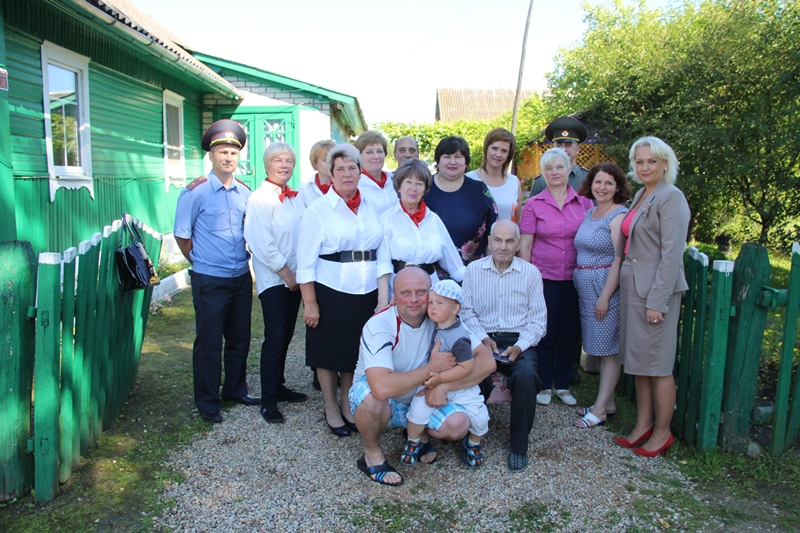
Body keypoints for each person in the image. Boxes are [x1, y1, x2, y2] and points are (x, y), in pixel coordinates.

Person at [349, 267, 496, 486]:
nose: (414, 300)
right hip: (386, 400)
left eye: (421, 292)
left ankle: (417, 435)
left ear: (432, 293)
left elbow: (487, 361)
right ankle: (372, 454)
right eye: (405, 293)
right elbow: (381, 387)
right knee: (372, 400)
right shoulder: (380, 324)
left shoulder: (439, 316)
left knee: (458, 425)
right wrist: (432, 367)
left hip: (422, 395)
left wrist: (444, 386)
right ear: (394, 295)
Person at [296, 143, 392, 437]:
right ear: (331, 173)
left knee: (353, 352)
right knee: (327, 353)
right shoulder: (318, 211)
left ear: (360, 172)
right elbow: (305, 263)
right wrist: (310, 303)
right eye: (340, 169)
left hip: (366, 292)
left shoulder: (373, 207)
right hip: (330, 290)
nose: (347, 174)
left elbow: (383, 254)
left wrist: (382, 298)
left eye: (352, 168)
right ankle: (331, 407)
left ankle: (349, 405)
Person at [173, 119, 259, 423]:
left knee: (240, 339)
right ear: (211, 155)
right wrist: (201, 261)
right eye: (222, 152)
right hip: (210, 279)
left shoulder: (245, 192)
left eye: (233, 153)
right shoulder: (196, 192)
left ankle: (235, 389)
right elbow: (182, 235)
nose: (228, 158)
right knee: (209, 343)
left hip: (240, 277)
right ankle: (208, 401)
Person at [613, 136, 690, 457]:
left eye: (652, 161)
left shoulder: (671, 197)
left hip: (655, 293)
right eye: (640, 162)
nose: (645, 167)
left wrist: (658, 302)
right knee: (640, 363)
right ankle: (643, 425)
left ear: (665, 164)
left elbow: (671, 256)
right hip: (635, 288)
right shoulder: (643, 193)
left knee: (658, 366)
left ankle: (662, 433)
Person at [461, 220, 547, 471]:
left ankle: (519, 446)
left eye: (510, 241)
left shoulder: (531, 273)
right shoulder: (473, 270)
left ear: (518, 244)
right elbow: (466, 312)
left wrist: (520, 346)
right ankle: (470, 438)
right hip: (482, 337)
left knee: (527, 376)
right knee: (473, 374)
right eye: (498, 240)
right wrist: (482, 339)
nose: (503, 246)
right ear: (489, 242)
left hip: (518, 340)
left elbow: (538, 321)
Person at [519, 148, 593, 408]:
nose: (554, 172)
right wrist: (526, 279)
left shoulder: (584, 204)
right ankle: (544, 383)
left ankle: (562, 384)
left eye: (559, 167)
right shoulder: (534, 204)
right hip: (544, 277)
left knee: (568, 332)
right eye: (548, 168)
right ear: (543, 173)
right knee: (545, 331)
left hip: (575, 277)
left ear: (568, 169)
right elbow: (526, 244)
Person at [243, 142, 309, 425]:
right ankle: (268, 401)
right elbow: (259, 241)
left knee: (286, 335)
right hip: (275, 279)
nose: (284, 165)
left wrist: (299, 274)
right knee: (274, 337)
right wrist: (286, 273)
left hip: (294, 279)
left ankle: (279, 385)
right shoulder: (259, 198)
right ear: (267, 165)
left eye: (289, 161)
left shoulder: (294, 198)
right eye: (278, 160)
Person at [404, 280, 489, 468]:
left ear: (455, 309)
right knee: (417, 408)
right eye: (431, 302)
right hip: (433, 380)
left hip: (460, 385)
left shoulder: (460, 337)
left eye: (439, 303)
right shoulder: (435, 323)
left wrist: (441, 379)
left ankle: (473, 443)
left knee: (481, 418)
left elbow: (466, 367)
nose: (432, 307)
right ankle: (413, 442)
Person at [571, 163, 632, 428]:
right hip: (585, 287)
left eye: (609, 183)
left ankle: (599, 410)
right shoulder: (591, 212)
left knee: (608, 351)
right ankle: (608, 403)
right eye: (598, 182)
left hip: (604, 288)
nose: (602, 187)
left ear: (618, 187)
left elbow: (619, 258)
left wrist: (605, 296)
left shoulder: (618, 216)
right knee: (597, 346)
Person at [381, 159, 466, 292]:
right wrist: (383, 299)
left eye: (419, 183)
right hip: (399, 289)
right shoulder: (386, 219)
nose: (413, 188)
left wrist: (470, 285)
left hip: (430, 288)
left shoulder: (434, 220)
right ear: (399, 186)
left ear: (425, 190)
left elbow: (453, 262)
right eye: (408, 182)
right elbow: (383, 264)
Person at [424, 136, 498, 277]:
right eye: (447, 156)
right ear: (438, 161)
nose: (452, 162)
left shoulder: (479, 190)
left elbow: (494, 232)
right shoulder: (423, 189)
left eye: (458, 157)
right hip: (431, 277)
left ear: (466, 162)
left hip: (474, 275)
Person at [466, 128, 523, 222]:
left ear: (509, 155)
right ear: (486, 149)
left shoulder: (513, 182)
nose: (498, 154)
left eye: (504, 151)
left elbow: (517, 220)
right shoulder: (469, 179)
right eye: (494, 148)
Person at [529, 117, 589, 197]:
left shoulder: (588, 179)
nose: (563, 149)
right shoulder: (541, 181)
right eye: (559, 145)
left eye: (568, 145)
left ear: (577, 149)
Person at [355, 130, 397, 215]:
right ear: (359, 156)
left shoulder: (395, 180)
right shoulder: (355, 185)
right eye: (369, 152)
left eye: (379, 151)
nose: (376, 156)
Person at [299, 139, 335, 208]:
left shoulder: (344, 186)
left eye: (332, 160)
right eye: (325, 160)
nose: (330, 163)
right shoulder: (304, 189)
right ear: (315, 163)